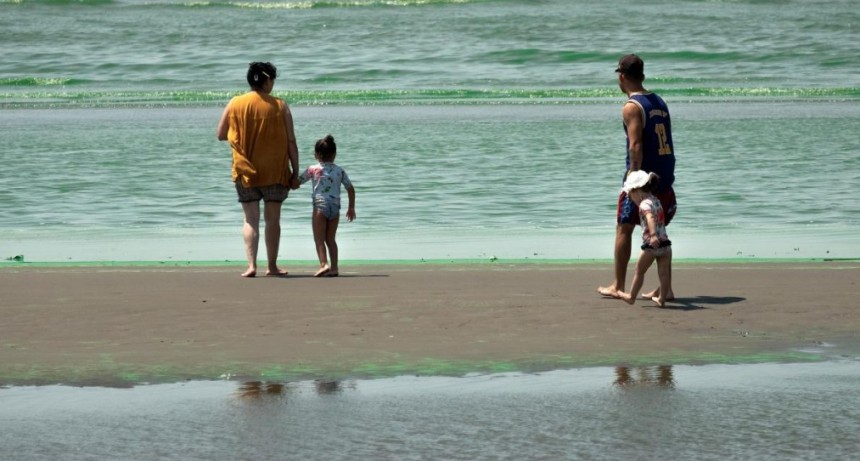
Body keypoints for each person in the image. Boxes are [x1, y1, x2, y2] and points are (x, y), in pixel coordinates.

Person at [598, 54, 676, 300]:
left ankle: (618, 285)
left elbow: (635, 145)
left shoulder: (632, 106)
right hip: (664, 176)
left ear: (621, 76)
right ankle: (666, 288)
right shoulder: (658, 101)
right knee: (659, 232)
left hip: (643, 181)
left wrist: (632, 176)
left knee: (624, 228)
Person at [216, 61, 299, 278]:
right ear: (267, 81)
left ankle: (251, 266)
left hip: (245, 171)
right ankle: (271, 267)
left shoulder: (235, 103)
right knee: (273, 219)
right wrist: (295, 172)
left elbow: (221, 133)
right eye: (273, 79)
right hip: (275, 171)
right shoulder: (280, 106)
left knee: (250, 219)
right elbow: (291, 141)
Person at [298, 134, 356, 277]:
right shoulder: (339, 170)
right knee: (330, 239)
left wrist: (286, 180)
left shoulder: (312, 169)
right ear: (334, 154)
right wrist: (351, 207)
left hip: (320, 207)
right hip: (335, 208)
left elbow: (297, 182)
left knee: (319, 239)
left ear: (316, 155)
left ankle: (324, 265)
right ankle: (335, 268)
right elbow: (350, 188)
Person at [617, 171, 673, 307]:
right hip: (665, 244)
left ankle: (631, 296)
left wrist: (653, 235)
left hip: (651, 246)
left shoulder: (644, 204)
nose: (631, 200)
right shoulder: (656, 200)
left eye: (631, 196)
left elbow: (650, 217)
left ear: (637, 191)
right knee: (664, 273)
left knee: (639, 270)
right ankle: (662, 299)